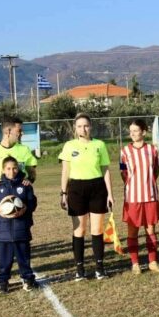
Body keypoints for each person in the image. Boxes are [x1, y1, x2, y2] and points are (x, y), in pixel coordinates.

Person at [59, 113, 114, 281]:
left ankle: (99, 267)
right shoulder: (69, 146)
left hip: (97, 188)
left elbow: (105, 170)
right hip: (76, 189)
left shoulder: (99, 145)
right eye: (80, 126)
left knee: (97, 230)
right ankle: (80, 269)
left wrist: (110, 194)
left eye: (86, 125)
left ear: (91, 127)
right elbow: (65, 171)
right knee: (80, 230)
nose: (83, 128)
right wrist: (63, 193)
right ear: (75, 129)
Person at [0, 156, 38, 292]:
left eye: (14, 168)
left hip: (21, 228)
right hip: (3, 230)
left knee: (24, 258)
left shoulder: (25, 185)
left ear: (18, 168)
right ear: (3, 170)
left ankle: (28, 279)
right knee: (4, 260)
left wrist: (26, 208)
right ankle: (3, 281)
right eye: (8, 168)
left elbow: (32, 203)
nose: (12, 171)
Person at [0, 117, 37, 231]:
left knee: (23, 234)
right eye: (19, 130)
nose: (22, 133)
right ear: (8, 132)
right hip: (1, 200)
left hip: (21, 200)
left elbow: (32, 171)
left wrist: (29, 180)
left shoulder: (25, 150)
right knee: (2, 236)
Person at [119, 118, 159, 274]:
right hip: (132, 198)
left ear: (144, 132)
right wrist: (133, 184)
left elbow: (156, 170)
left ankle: (152, 261)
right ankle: (135, 263)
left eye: (135, 131)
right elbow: (122, 172)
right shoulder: (124, 151)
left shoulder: (153, 150)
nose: (132, 134)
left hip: (150, 196)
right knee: (132, 231)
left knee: (150, 230)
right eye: (131, 131)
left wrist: (147, 183)